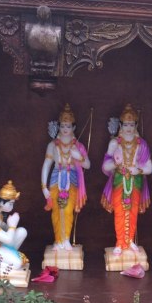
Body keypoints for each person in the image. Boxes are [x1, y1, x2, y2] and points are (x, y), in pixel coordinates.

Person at [101, 104, 152, 254]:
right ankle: (119, 242)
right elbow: (105, 166)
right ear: (121, 125)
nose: (129, 128)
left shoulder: (142, 144)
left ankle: (129, 240)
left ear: (136, 125)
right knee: (119, 211)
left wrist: (138, 170)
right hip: (119, 180)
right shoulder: (114, 143)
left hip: (135, 181)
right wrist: (115, 163)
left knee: (133, 211)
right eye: (125, 124)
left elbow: (150, 168)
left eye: (131, 124)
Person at [41, 104, 90, 250]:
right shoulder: (52, 145)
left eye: (68, 126)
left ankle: (66, 239)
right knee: (57, 210)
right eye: (62, 126)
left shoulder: (78, 146)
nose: (65, 129)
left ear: (73, 127)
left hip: (72, 179)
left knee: (68, 210)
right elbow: (46, 165)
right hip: (56, 178)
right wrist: (43, 187)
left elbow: (88, 165)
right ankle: (58, 240)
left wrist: (78, 156)